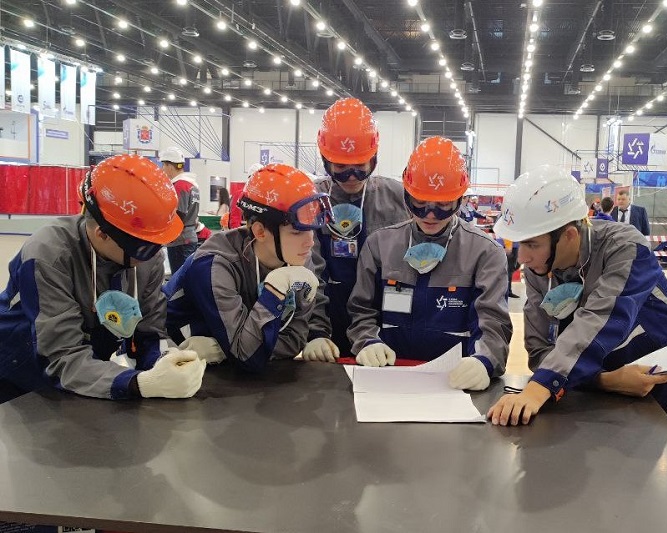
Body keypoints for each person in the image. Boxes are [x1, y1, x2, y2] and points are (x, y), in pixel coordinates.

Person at [486, 167, 667, 446]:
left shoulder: (624, 248)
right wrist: (606, 381)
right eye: (519, 244)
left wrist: (539, 387)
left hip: (663, 390)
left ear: (569, 235)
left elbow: (601, 318)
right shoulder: (540, 268)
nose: (523, 258)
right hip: (594, 395)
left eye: (532, 244)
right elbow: (540, 350)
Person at [0, 154, 206, 403]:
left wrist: (167, 360)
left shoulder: (146, 260)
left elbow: (150, 332)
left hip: (82, 379)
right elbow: (61, 356)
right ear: (102, 234)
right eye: (144, 247)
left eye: (158, 243)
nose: (155, 255)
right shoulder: (48, 256)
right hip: (19, 376)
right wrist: (137, 383)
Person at [347, 136, 512, 391]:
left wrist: (485, 361)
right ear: (406, 195)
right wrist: (367, 341)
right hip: (389, 379)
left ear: (460, 199)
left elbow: (493, 322)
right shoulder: (379, 245)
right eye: (420, 203)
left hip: (455, 383)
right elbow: (361, 310)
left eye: (443, 205)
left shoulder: (485, 253)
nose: (430, 215)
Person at [163, 164, 336, 373]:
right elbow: (247, 356)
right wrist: (275, 291)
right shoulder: (213, 265)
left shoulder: (297, 257)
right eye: (297, 232)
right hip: (172, 366)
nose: (310, 242)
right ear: (260, 232)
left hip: (227, 368)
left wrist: (233, 349)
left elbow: (293, 340)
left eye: (312, 230)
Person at [306, 97, 408, 360]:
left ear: (373, 159)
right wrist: (316, 332)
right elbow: (309, 272)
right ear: (325, 160)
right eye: (341, 167)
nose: (351, 177)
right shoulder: (311, 200)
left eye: (360, 166)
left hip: (385, 325)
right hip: (327, 322)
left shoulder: (398, 198)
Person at [159, 146, 201, 272]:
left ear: (170, 166)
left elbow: (178, 215)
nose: (163, 169)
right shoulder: (192, 185)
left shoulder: (180, 185)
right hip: (189, 237)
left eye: (164, 165)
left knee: (179, 279)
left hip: (180, 241)